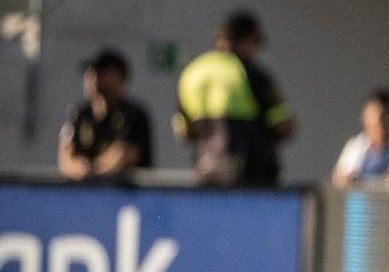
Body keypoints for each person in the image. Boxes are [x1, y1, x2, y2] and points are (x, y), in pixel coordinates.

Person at [173, 10, 293, 187]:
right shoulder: (251, 73)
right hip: (252, 179)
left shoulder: (191, 73)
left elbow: (184, 133)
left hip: (207, 173)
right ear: (251, 38)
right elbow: (284, 127)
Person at [58, 48, 152, 181]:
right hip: (82, 195)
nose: (93, 77)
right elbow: (66, 158)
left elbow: (125, 155)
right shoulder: (79, 114)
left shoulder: (133, 114)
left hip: (123, 196)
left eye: (102, 72)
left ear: (122, 77)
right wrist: (79, 170)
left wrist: (92, 173)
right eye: (90, 72)